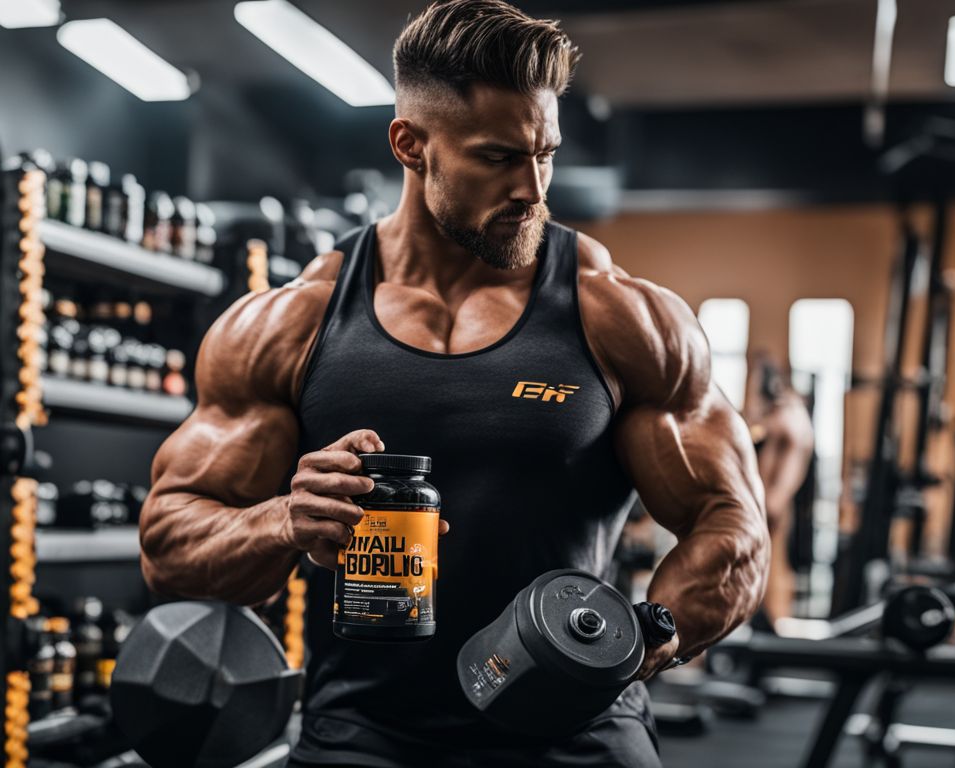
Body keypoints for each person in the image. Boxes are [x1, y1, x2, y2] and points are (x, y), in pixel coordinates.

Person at [139, 2, 769, 765]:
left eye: (546, 154)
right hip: (364, 734)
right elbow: (170, 540)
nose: (534, 189)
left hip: (576, 733)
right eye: (500, 158)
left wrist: (642, 640)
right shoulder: (291, 323)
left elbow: (732, 526)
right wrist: (281, 523)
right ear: (411, 144)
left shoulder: (623, 318)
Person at [745, 352, 816, 627]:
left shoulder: (786, 420)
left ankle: (771, 623)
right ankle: (769, 622)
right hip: (772, 501)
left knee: (769, 563)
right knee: (773, 562)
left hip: (772, 502)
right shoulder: (787, 417)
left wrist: (770, 502)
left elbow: (784, 469)